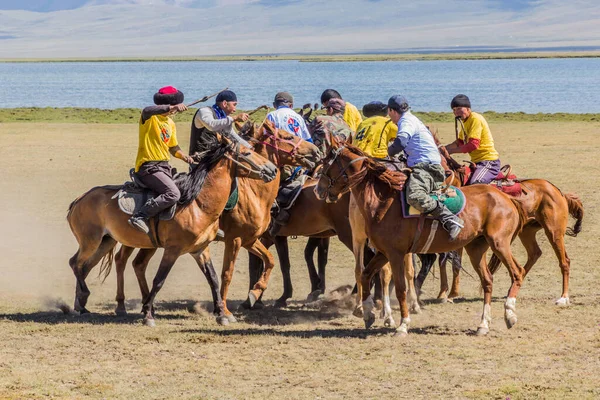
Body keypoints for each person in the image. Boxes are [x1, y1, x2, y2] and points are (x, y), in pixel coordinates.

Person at [387, 95, 463, 241]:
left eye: (389, 112)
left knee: (414, 195)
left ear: (391, 110)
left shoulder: (406, 121)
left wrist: (389, 152)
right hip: (423, 164)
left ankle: (450, 219)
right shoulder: (412, 119)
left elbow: (401, 142)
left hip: (426, 167)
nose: (389, 116)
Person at [128, 86, 195, 234]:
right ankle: (140, 216)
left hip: (164, 167)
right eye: (175, 106)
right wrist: (172, 106)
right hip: (148, 167)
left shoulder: (170, 123)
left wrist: (185, 157)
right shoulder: (150, 118)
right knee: (173, 194)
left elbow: (173, 147)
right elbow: (146, 110)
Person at [266, 92, 312, 236]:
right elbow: (308, 141)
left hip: (283, 162)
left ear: (275, 105)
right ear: (291, 106)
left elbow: (266, 138)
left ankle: (275, 213)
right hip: (299, 164)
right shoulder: (298, 117)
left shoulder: (272, 115)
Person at [443, 94, 501, 185]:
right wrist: (442, 149)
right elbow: (459, 142)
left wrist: (450, 151)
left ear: (468, 109)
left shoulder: (475, 118)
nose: (456, 112)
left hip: (488, 162)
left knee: (476, 184)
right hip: (476, 162)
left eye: (459, 108)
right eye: (454, 110)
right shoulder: (465, 122)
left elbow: (473, 145)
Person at [189, 90, 249, 156]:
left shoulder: (224, 119)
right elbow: (212, 125)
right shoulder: (204, 111)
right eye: (234, 105)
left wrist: (250, 148)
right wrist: (234, 118)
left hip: (215, 158)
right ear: (224, 103)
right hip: (199, 159)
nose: (235, 109)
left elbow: (235, 137)